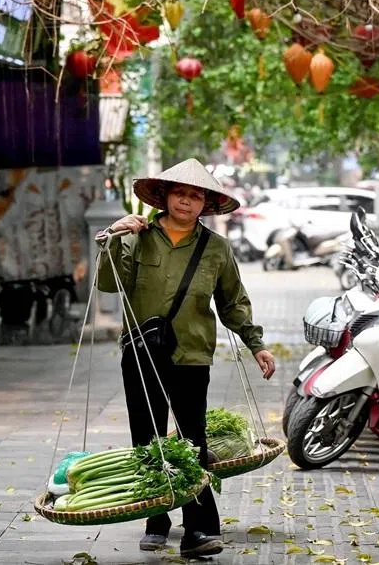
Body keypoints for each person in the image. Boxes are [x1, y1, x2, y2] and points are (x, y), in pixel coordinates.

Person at [95, 158, 276, 558]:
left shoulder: (216, 248)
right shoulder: (137, 237)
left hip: (192, 354)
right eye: (181, 193)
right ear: (165, 196)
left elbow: (233, 303)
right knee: (148, 439)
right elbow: (108, 283)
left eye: (196, 196)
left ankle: (199, 529)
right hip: (141, 352)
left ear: (205, 204)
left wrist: (256, 344)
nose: (187, 202)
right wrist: (113, 234)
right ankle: (155, 518)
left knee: (193, 441)